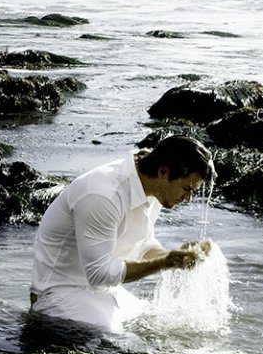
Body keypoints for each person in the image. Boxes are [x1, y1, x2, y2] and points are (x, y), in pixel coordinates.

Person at [29, 136, 215, 330]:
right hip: (59, 296)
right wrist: (164, 262)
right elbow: (99, 274)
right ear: (163, 172)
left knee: (158, 323)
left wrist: (174, 257)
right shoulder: (103, 195)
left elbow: (142, 244)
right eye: (186, 189)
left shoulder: (153, 186)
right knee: (119, 343)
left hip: (103, 293)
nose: (188, 198)